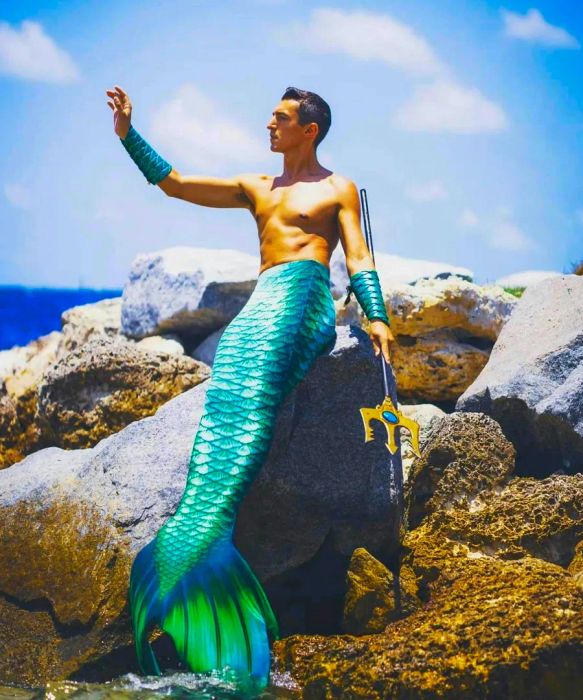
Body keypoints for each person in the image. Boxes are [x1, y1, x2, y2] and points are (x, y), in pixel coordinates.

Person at [105, 83, 395, 689]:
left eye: (281, 119)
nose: (270, 126)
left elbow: (360, 258)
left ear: (309, 129)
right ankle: (197, 550)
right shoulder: (256, 187)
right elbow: (176, 184)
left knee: (260, 359)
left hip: (306, 298)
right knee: (236, 353)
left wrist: (376, 314)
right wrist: (131, 135)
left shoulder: (337, 188)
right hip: (263, 300)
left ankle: (205, 562)